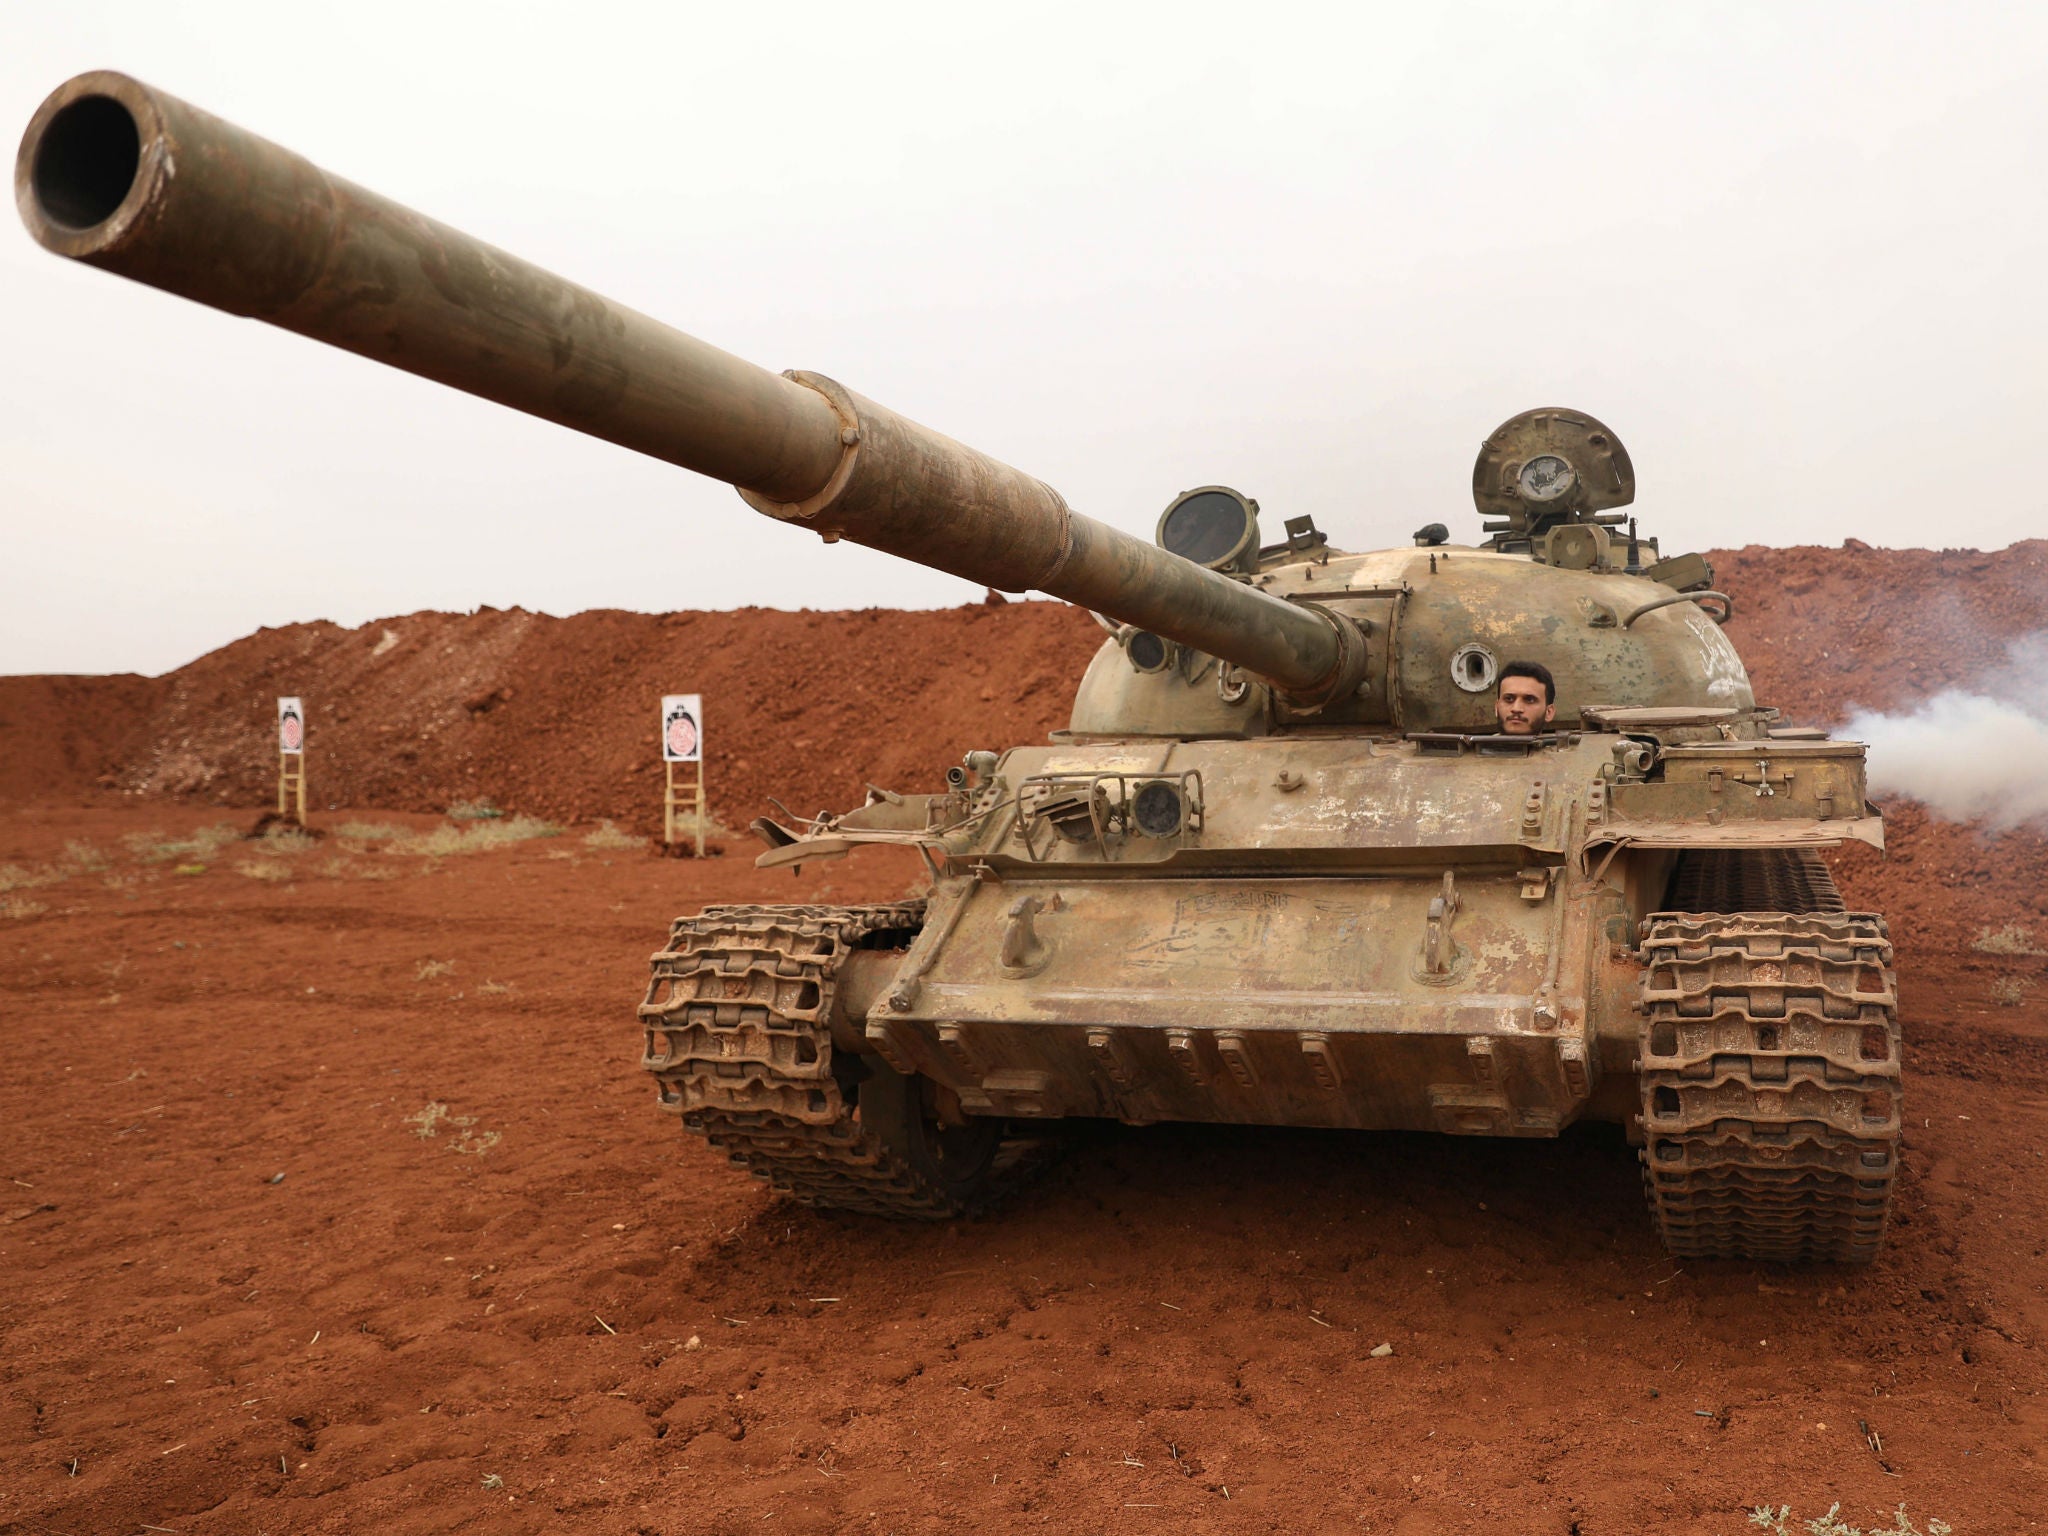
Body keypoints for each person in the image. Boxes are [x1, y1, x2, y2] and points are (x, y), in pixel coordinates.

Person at [1496, 660, 1556, 735]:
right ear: (1496, 707)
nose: (1516, 709)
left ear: (1548, 712)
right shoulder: (1478, 746)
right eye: (1509, 699)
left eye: (1529, 700)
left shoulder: (1566, 746)